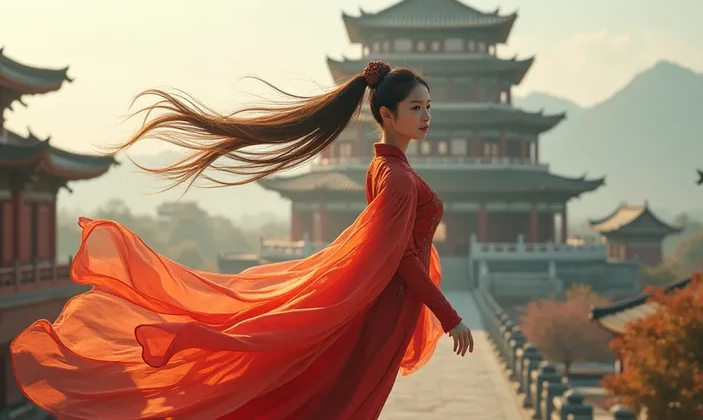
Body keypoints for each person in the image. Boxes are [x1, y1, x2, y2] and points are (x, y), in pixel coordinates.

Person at [10, 61, 474, 420]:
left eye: (429, 107)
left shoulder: (387, 168)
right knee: (341, 400)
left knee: (336, 395)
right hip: (388, 307)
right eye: (417, 108)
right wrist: (450, 317)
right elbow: (403, 261)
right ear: (387, 115)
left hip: (385, 305)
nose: (427, 116)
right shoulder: (396, 177)